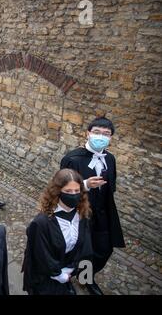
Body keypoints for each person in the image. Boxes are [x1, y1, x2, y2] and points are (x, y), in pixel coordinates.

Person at [60, 117, 125, 295]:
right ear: (88, 133)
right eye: (97, 132)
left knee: (104, 249)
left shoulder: (110, 159)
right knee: (77, 250)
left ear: (111, 138)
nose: (101, 136)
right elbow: (60, 189)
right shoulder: (72, 159)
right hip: (79, 213)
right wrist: (85, 184)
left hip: (102, 213)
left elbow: (111, 186)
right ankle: (66, 278)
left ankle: (85, 275)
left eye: (106, 134)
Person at [22, 169, 93, 295]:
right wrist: (58, 274)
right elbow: (41, 254)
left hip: (67, 271)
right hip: (44, 277)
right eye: (68, 191)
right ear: (57, 192)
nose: (73, 195)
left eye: (77, 191)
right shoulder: (42, 222)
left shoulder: (82, 215)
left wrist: (73, 267)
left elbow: (84, 246)